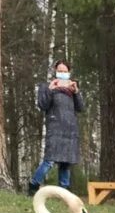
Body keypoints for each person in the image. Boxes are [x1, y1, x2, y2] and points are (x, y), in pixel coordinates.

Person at [28, 60, 85, 195]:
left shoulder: (72, 89)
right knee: (49, 161)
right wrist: (50, 90)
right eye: (60, 71)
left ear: (69, 72)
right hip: (55, 128)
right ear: (55, 71)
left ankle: (63, 192)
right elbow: (43, 105)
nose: (62, 74)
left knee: (66, 163)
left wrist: (76, 92)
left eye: (65, 71)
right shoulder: (46, 86)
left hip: (70, 129)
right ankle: (34, 183)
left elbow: (81, 107)